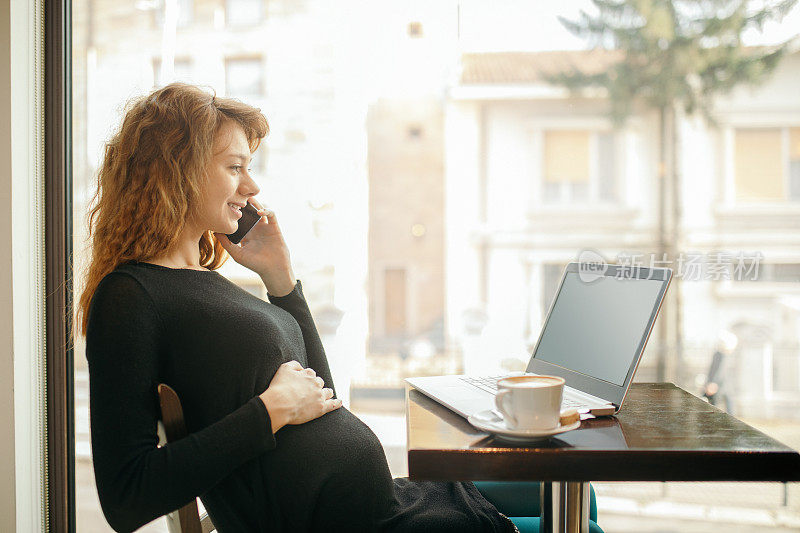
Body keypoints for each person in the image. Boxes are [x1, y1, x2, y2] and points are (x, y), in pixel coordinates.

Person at [77, 83, 539, 533]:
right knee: (579, 519)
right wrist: (271, 410)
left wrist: (281, 281)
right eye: (235, 167)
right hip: (364, 523)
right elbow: (126, 497)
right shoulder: (131, 296)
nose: (252, 185)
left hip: (386, 504)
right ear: (177, 170)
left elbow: (323, 400)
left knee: (565, 494)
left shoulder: (205, 284)